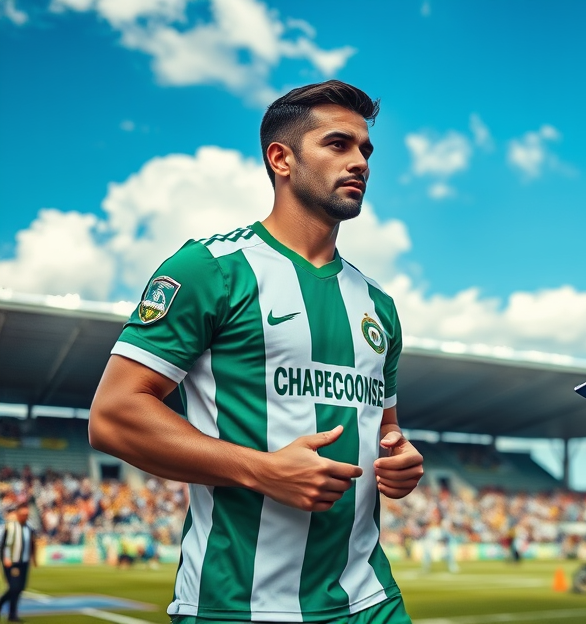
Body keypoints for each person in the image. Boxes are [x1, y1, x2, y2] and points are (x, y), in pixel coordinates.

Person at [89, 80, 424, 624]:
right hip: (237, 604)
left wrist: (400, 461)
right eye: (338, 145)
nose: (360, 161)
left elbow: (386, 431)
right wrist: (261, 470)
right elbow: (113, 418)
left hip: (368, 601)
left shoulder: (378, 305)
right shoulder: (211, 269)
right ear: (281, 159)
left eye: (365, 150)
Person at [0, 503, 36, 623]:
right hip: (12, 563)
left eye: (27, 515)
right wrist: (5, 559)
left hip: (24, 562)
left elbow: (32, 543)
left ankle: (8, 609)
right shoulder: (10, 527)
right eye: (22, 514)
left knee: (20, 588)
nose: (25, 517)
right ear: (17, 514)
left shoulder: (29, 528)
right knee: (15, 587)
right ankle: (12, 613)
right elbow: (4, 545)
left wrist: (33, 558)